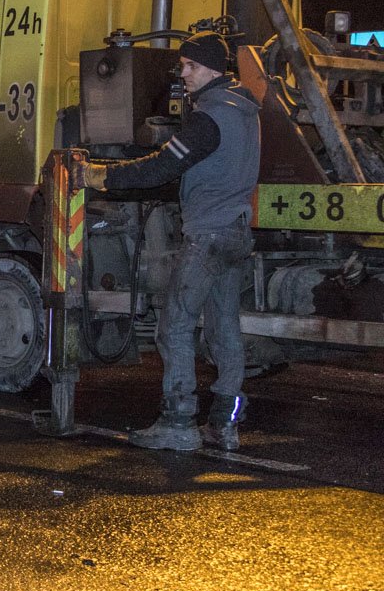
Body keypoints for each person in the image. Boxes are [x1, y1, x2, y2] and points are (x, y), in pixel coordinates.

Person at [75, 31, 261, 451]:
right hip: (237, 230)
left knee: (173, 326)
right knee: (224, 328)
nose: (183, 74)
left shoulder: (210, 115)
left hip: (209, 235)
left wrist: (99, 175)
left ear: (212, 67)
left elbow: (162, 168)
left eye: (190, 66)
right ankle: (225, 425)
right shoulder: (246, 109)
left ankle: (178, 424)